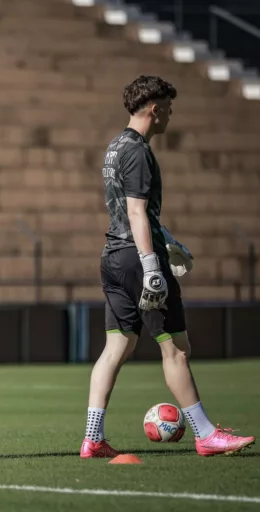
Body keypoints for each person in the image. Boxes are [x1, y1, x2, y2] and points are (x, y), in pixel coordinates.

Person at [81, 75, 255, 458]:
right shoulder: (139, 151)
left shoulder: (114, 146)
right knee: (176, 349)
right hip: (138, 259)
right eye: (170, 109)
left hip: (112, 257)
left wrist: (168, 239)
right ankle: (206, 434)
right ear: (155, 109)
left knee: (116, 347)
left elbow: (126, 210)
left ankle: (92, 438)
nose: (171, 116)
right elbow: (137, 210)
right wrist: (152, 264)